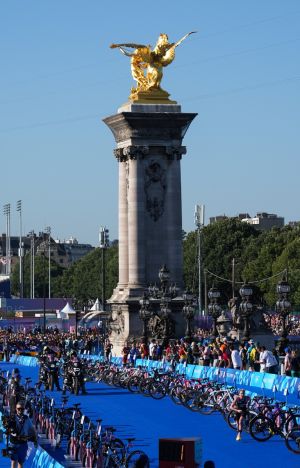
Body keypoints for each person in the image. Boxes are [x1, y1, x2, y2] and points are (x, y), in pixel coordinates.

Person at [7, 401, 38, 468]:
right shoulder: (12, 418)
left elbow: (32, 429)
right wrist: (11, 430)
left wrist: (35, 439)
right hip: (14, 444)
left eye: (22, 409)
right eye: (19, 409)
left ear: (24, 409)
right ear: (16, 409)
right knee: (13, 462)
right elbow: (8, 428)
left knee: (20, 462)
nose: (20, 410)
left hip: (23, 444)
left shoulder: (27, 419)